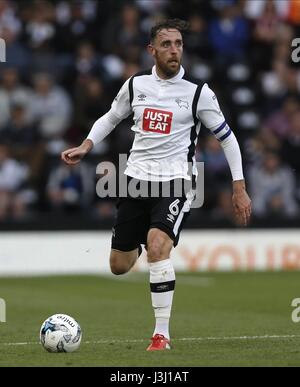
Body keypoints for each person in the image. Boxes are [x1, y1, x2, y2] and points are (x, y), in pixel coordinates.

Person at [61, 19, 251, 351]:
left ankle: (161, 334)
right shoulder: (135, 85)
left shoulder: (198, 92)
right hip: (135, 181)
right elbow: (111, 116)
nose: (174, 49)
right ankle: (140, 243)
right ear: (152, 50)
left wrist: (239, 187)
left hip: (176, 181)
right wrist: (86, 145)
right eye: (166, 44)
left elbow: (227, 139)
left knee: (159, 246)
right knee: (119, 266)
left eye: (178, 43)